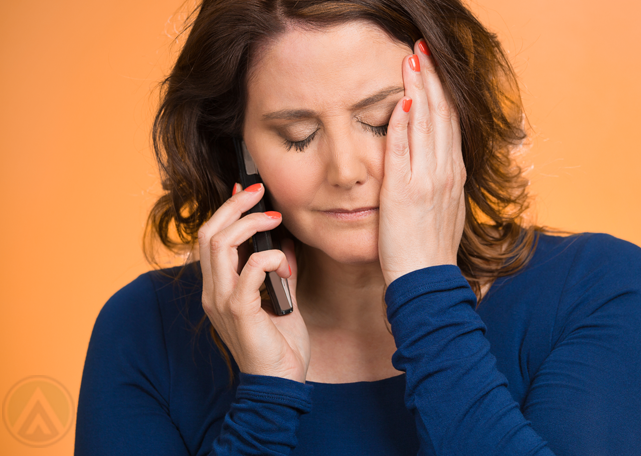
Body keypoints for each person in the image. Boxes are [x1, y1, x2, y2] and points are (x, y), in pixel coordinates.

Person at [74, 0, 641, 455]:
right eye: (297, 134)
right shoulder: (144, 330)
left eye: (379, 121)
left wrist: (426, 292)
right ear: (239, 150)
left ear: (453, 114)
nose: (346, 171)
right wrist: (266, 401)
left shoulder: (598, 289)